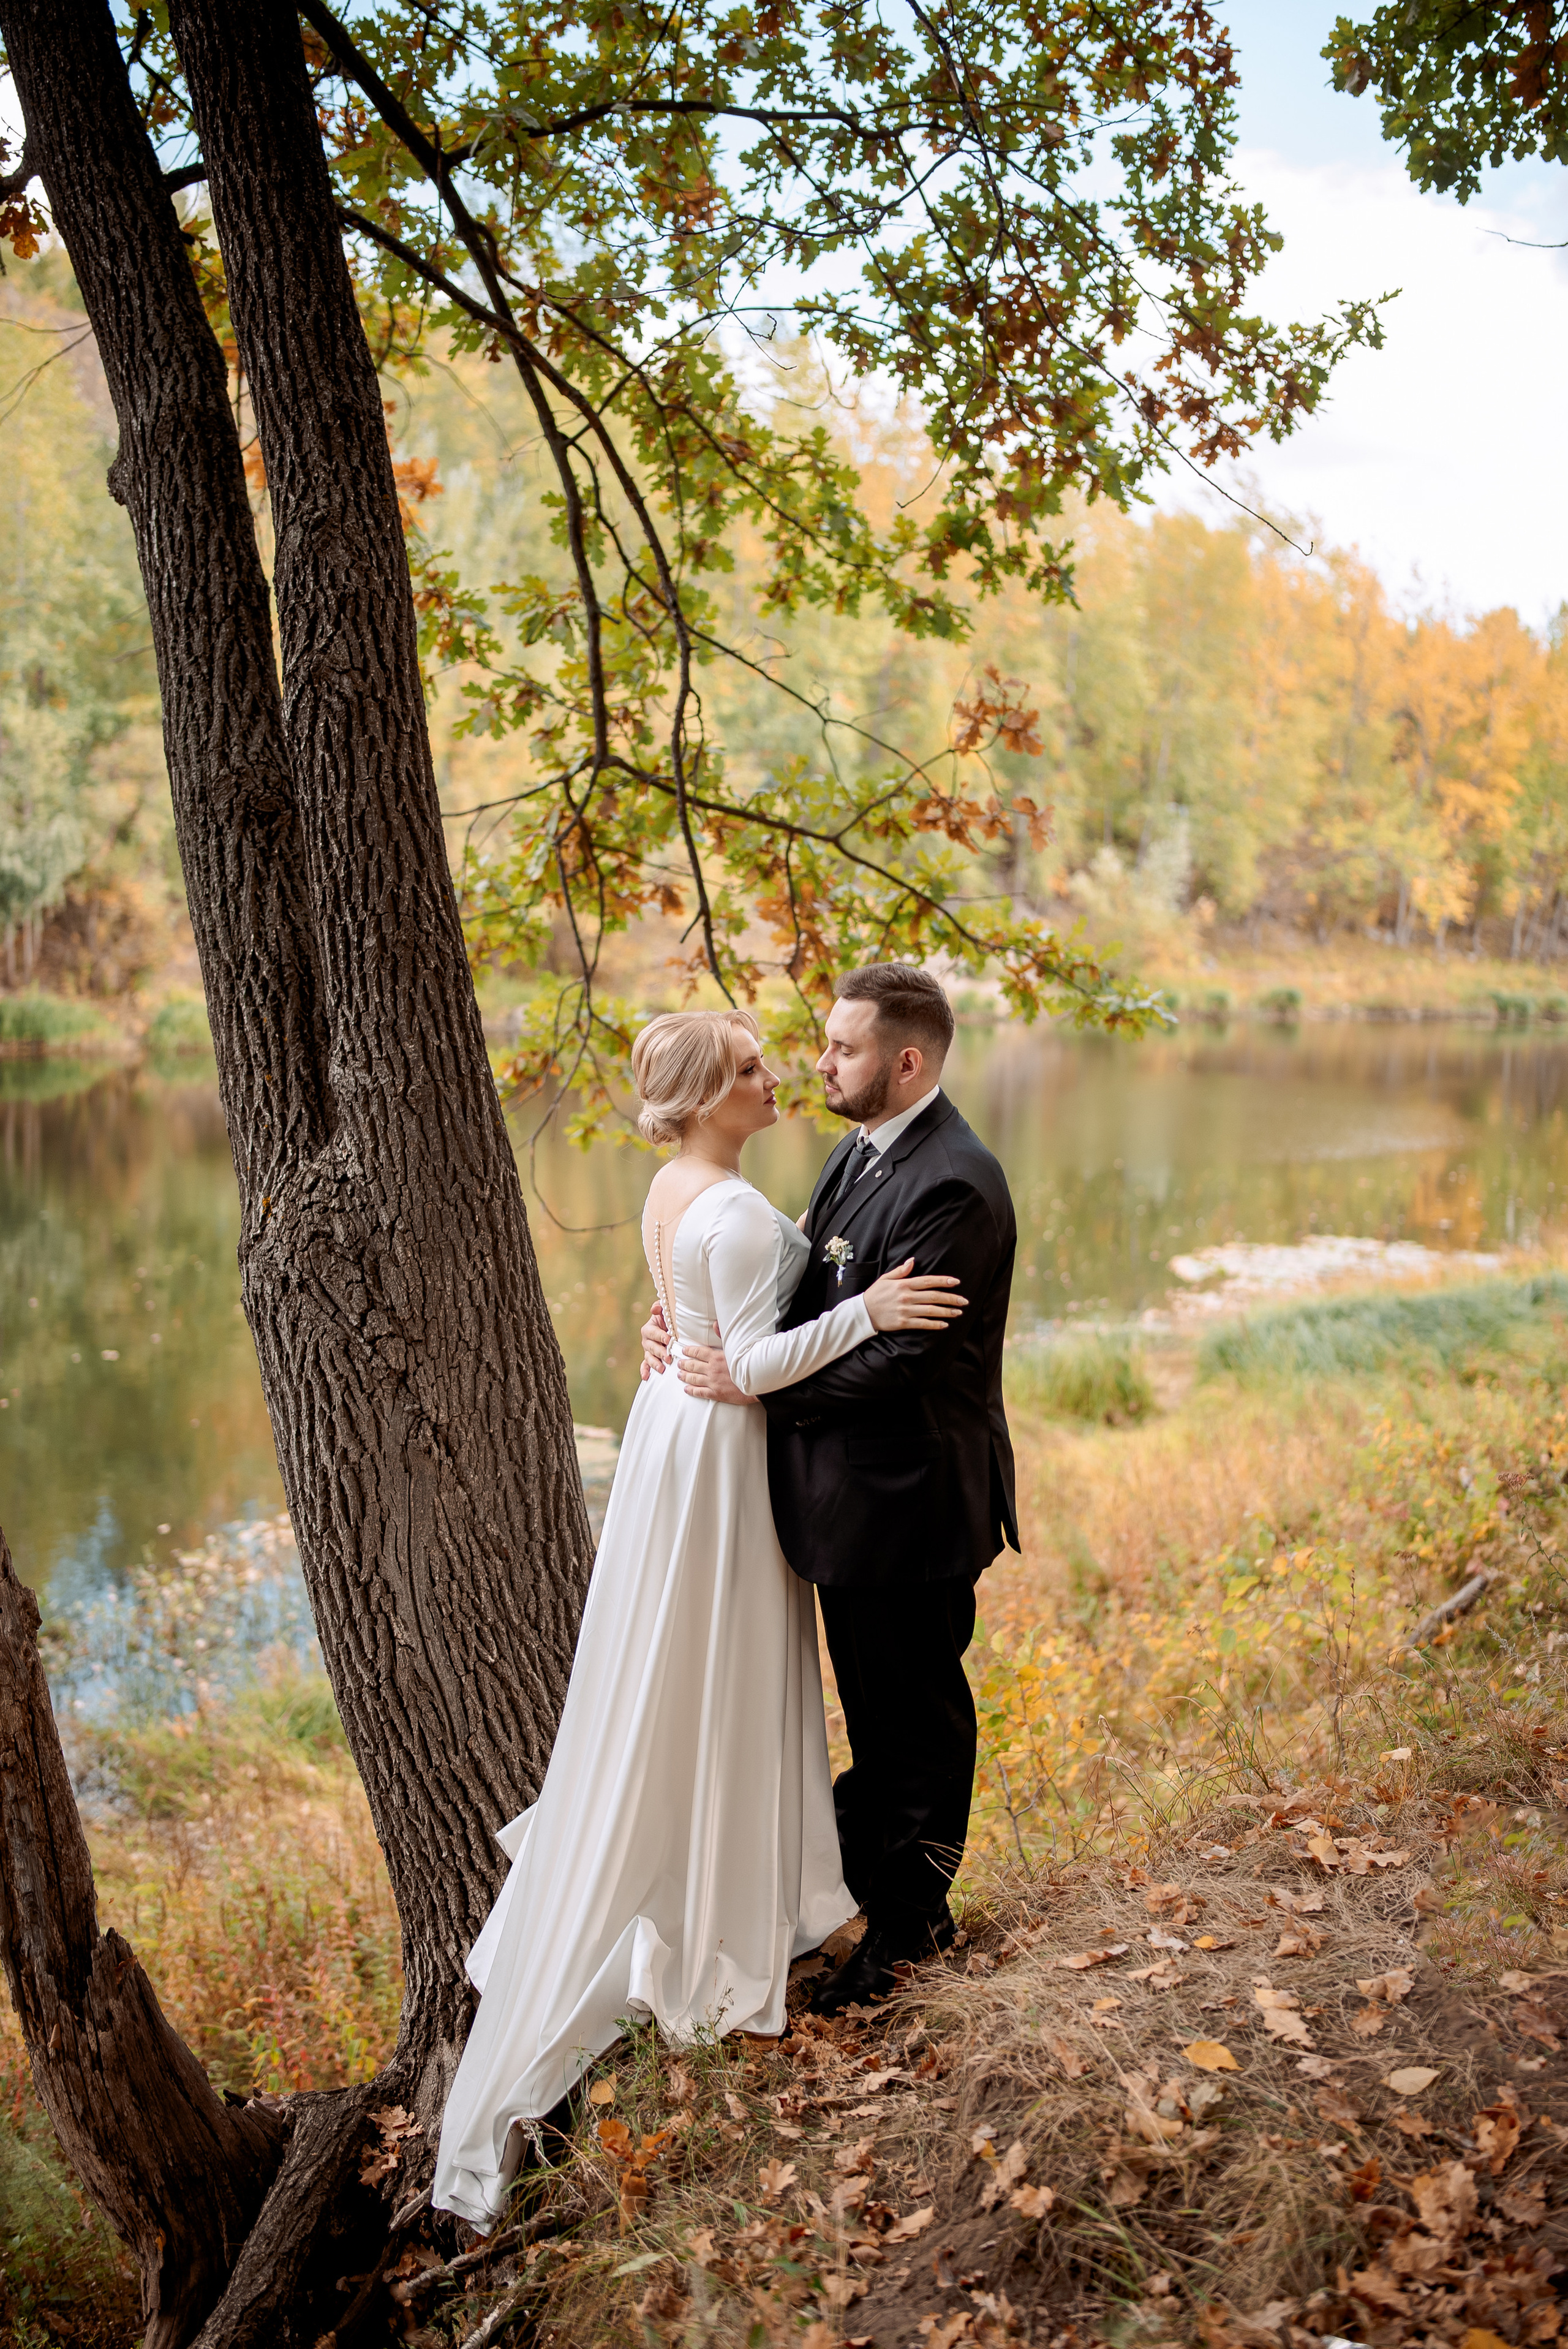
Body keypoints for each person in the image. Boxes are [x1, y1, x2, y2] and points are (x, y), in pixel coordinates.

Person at [432, 1007, 965, 2232]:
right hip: (717, 1453)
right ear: (696, 1095)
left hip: (686, 1433)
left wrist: (702, 1342)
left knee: (705, 1677)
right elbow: (751, 1363)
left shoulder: (682, 1184)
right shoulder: (720, 1203)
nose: (771, 1075)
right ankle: (730, 1914)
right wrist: (871, 1312)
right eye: (746, 1070)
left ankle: (759, 1894)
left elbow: (706, 1338)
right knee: (719, 1676)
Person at [643, 962, 1018, 2014]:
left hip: (910, 1502)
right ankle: (860, 1891)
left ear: (907, 1061)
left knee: (914, 1719)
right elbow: (805, 1292)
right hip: (847, 1502)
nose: (820, 1062)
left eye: (844, 1048)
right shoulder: (861, 1147)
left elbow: (910, 1361)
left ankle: (911, 1928)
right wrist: (700, 1331)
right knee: (874, 1711)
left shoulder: (955, 1181)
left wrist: (755, 1390)